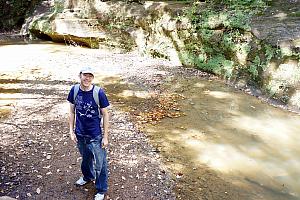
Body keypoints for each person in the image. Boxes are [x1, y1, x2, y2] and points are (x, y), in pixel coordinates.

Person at [67, 66, 110, 200]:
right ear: (80, 75)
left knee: (100, 163)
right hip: (80, 134)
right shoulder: (74, 90)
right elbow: (71, 112)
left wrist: (105, 136)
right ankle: (87, 177)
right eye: (85, 75)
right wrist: (71, 131)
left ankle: (101, 189)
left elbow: (105, 114)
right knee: (86, 159)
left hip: (95, 136)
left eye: (90, 76)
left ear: (93, 78)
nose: (87, 78)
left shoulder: (98, 93)